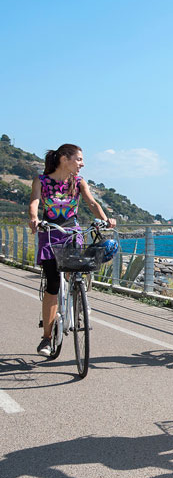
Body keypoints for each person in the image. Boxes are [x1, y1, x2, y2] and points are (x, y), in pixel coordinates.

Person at [28, 143, 117, 356]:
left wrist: (106, 220)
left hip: (72, 233)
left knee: (75, 272)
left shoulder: (78, 182)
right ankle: (47, 339)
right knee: (53, 283)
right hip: (50, 233)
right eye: (78, 159)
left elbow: (92, 204)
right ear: (64, 159)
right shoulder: (41, 180)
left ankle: (78, 303)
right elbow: (34, 202)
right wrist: (34, 218)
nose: (82, 164)